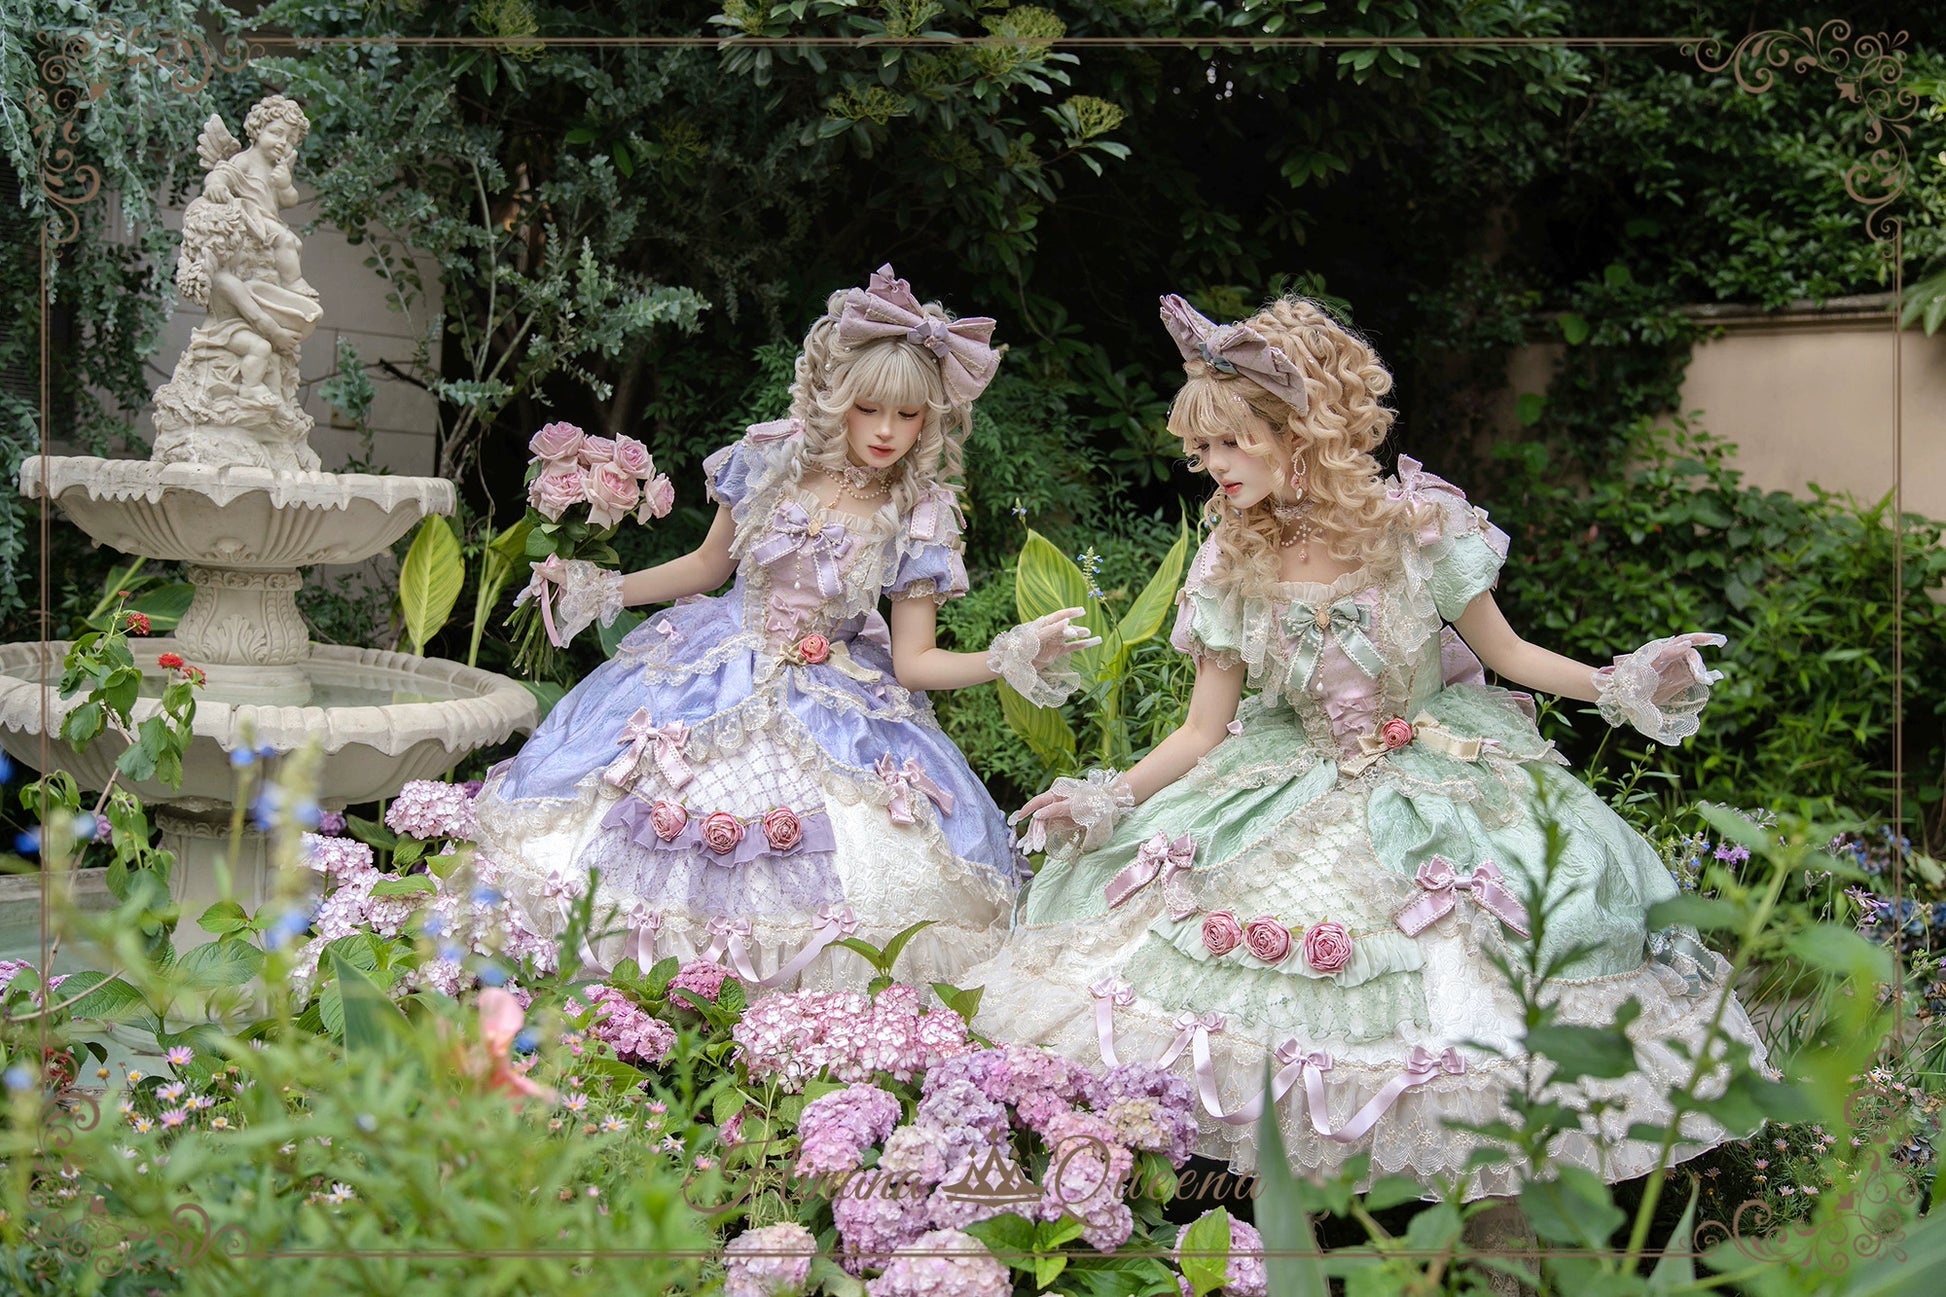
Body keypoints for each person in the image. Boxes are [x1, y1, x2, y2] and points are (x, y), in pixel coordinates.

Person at [966, 293, 1769, 1197]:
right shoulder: (1231, 557)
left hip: (1435, 780)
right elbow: (1201, 729)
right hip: (1287, 780)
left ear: (1300, 429)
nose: (1212, 465)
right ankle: (1279, 1224)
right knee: (1228, 971)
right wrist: (1106, 796)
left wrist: (1622, 683)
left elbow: (1509, 655)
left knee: (1472, 970)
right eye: (1203, 447)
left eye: (1232, 442)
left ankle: (1483, 1222)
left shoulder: (1416, 529)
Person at [475, 266, 1095, 990]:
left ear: (929, 419)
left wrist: (1009, 653)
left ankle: (775, 1007)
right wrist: (602, 587)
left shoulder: (919, 514)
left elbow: (916, 663)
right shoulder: (771, 460)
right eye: (869, 408)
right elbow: (708, 565)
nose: (887, 431)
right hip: (713, 669)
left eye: (908, 415)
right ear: (836, 400)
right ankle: (642, 989)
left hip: (836, 702)